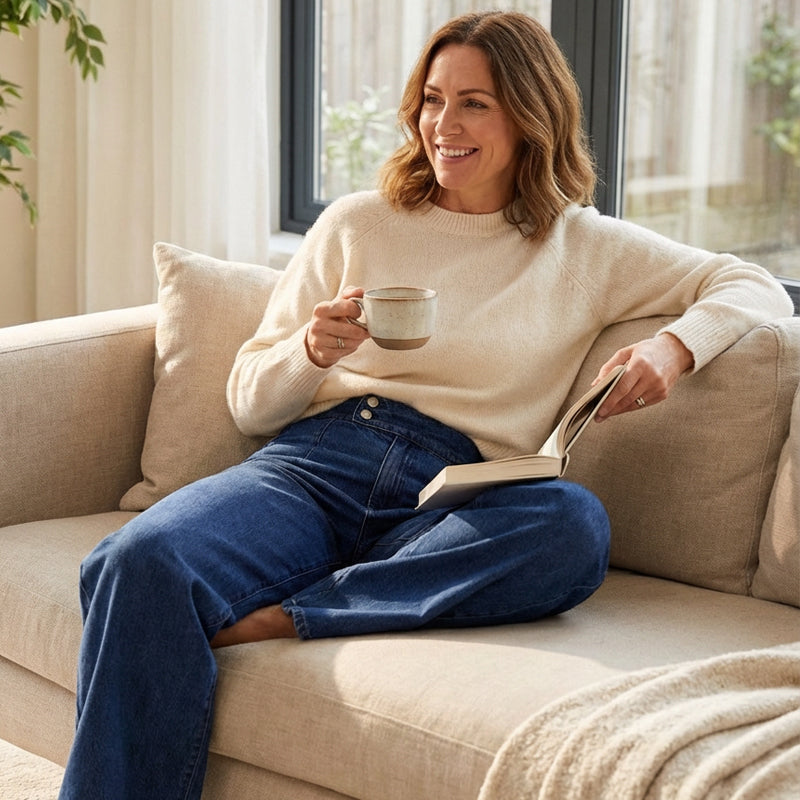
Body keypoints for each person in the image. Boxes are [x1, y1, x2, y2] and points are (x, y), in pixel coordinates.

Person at [58, 10, 793, 800]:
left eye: (475, 102)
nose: (445, 125)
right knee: (133, 561)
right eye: (433, 99)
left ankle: (291, 613)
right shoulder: (358, 223)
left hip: (461, 496)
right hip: (318, 465)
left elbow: (750, 285)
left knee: (573, 526)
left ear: (530, 114)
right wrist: (312, 353)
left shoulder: (585, 246)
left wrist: (672, 348)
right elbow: (248, 404)